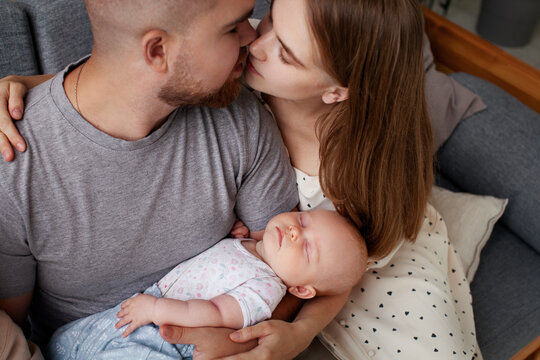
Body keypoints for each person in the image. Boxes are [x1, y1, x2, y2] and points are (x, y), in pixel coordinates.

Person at [0, 0, 483, 359]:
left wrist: (296, 332)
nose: (253, 39)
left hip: (355, 270)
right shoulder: (18, 161)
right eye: (250, 23)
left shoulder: (273, 127)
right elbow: (124, 63)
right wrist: (24, 85)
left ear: (336, 90)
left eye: (286, 53)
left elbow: (316, 273)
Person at [0, 0, 302, 359]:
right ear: (158, 51)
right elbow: (12, 332)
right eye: (232, 27)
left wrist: (244, 341)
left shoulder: (241, 120)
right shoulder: (15, 166)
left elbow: (287, 279)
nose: (251, 37)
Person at [46, 209, 367, 359]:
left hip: (166, 335)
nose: (297, 232)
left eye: (308, 248)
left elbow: (215, 312)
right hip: (142, 312)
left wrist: (157, 308)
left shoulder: (265, 290)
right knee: (62, 344)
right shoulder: (247, 246)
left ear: (300, 290)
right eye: (303, 220)